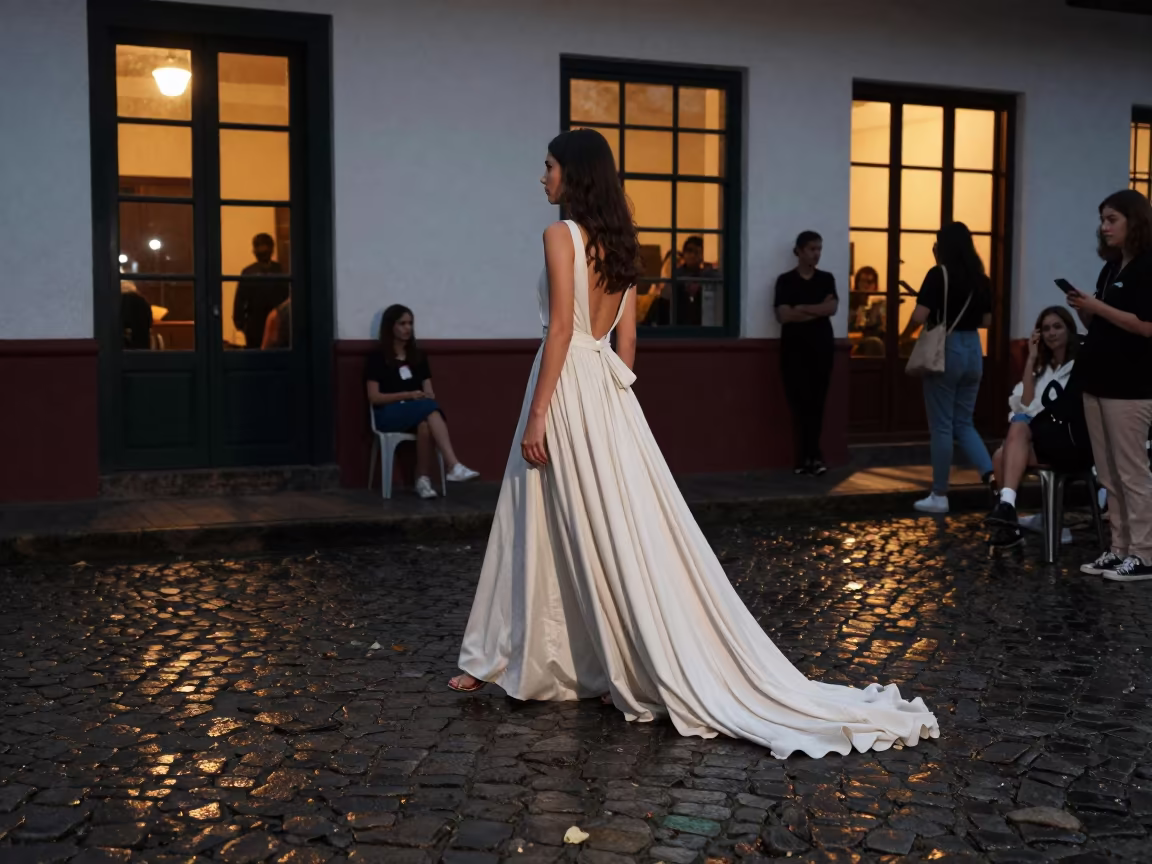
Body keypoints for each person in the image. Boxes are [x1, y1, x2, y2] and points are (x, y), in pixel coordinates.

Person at [448, 128, 938, 758]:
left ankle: (502, 658)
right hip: (607, 391)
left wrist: (540, 414)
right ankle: (600, 661)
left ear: (573, 172)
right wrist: (609, 403)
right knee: (612, 525)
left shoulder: (559, 235)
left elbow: (563, 330)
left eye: (547, 166)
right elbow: (627, 345)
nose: (541, 176)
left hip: (564, 386)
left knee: (534, 516)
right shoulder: (623, 243)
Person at [1066, 189, 1152, 581]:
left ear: (1135, 221)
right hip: (1097, 380)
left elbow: (1145, 326)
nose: (1104, 228)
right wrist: (1085, 310)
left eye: (1111, 219)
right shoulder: (1112, 267)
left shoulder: (1147, 267)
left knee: (1131, 473)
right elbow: (1103, 323)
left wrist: (1098, 307)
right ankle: (1119, 549)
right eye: (1102, 220)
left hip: (1130, 384)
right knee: (1108, 474)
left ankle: (1144, 553)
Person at [901, 222, 995, 513]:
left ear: (942, 246)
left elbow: (920, 315)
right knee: (964, 423)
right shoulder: (981, 279)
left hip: (946, 349)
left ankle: (939, 494)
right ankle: (994, 480)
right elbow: (986, 321)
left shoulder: (938, 274)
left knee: (941, 425)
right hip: (973, 349)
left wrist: (903, 336)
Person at [984, 307, 1090, 548]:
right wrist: (1031, 358)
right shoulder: (1041, 369)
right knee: (1003, 451)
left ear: (1069, 329)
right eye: (1046, 329)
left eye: (1057, 327)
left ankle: (1008, 513)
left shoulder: (1080, 365)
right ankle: (1010, 519)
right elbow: (1024, 405)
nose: (1051, 333)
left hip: (1071, 442)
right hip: (1040, 441)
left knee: (1012, 438)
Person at [364, 304, 479, 498]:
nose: (407, 328)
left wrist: (423, 397)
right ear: (390, 326)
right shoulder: (377, 358)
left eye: (410, 323)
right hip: (388, 413)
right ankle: (453, 465)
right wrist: (408, 395)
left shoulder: (418, 356)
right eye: (402, 324)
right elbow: (374, 397)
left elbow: (429, 392)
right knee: (429, 409)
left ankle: (423, 480)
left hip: (417, 411)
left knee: (425, 424)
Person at [773, 231, 838, 475]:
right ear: (799, 251)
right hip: (794, 351)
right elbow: (783, 315)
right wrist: (817, 310)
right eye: (812, 249)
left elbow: (832, 308)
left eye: (819, 249)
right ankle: (803, 458)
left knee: (817, 403)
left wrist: (801, 308)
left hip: (821, 349)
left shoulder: (826, 279)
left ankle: (814, 457)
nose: (816, 254)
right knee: (799, 403)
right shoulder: (786, 281)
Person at [233, 233, 289, 350]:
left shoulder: (249, 272)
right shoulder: (280, 270)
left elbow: (239, 304)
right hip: (269, 326)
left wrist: (241, 324)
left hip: (263, 326)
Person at [849, 266, 886, 357]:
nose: (866, 285)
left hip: (873, 340)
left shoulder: (880, 304)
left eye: (870, 282)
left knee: (874, 343)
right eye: (862, 281)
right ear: (857, 283)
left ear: (875, 285)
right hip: (853, 340)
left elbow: (884, 328)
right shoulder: (850, 302)